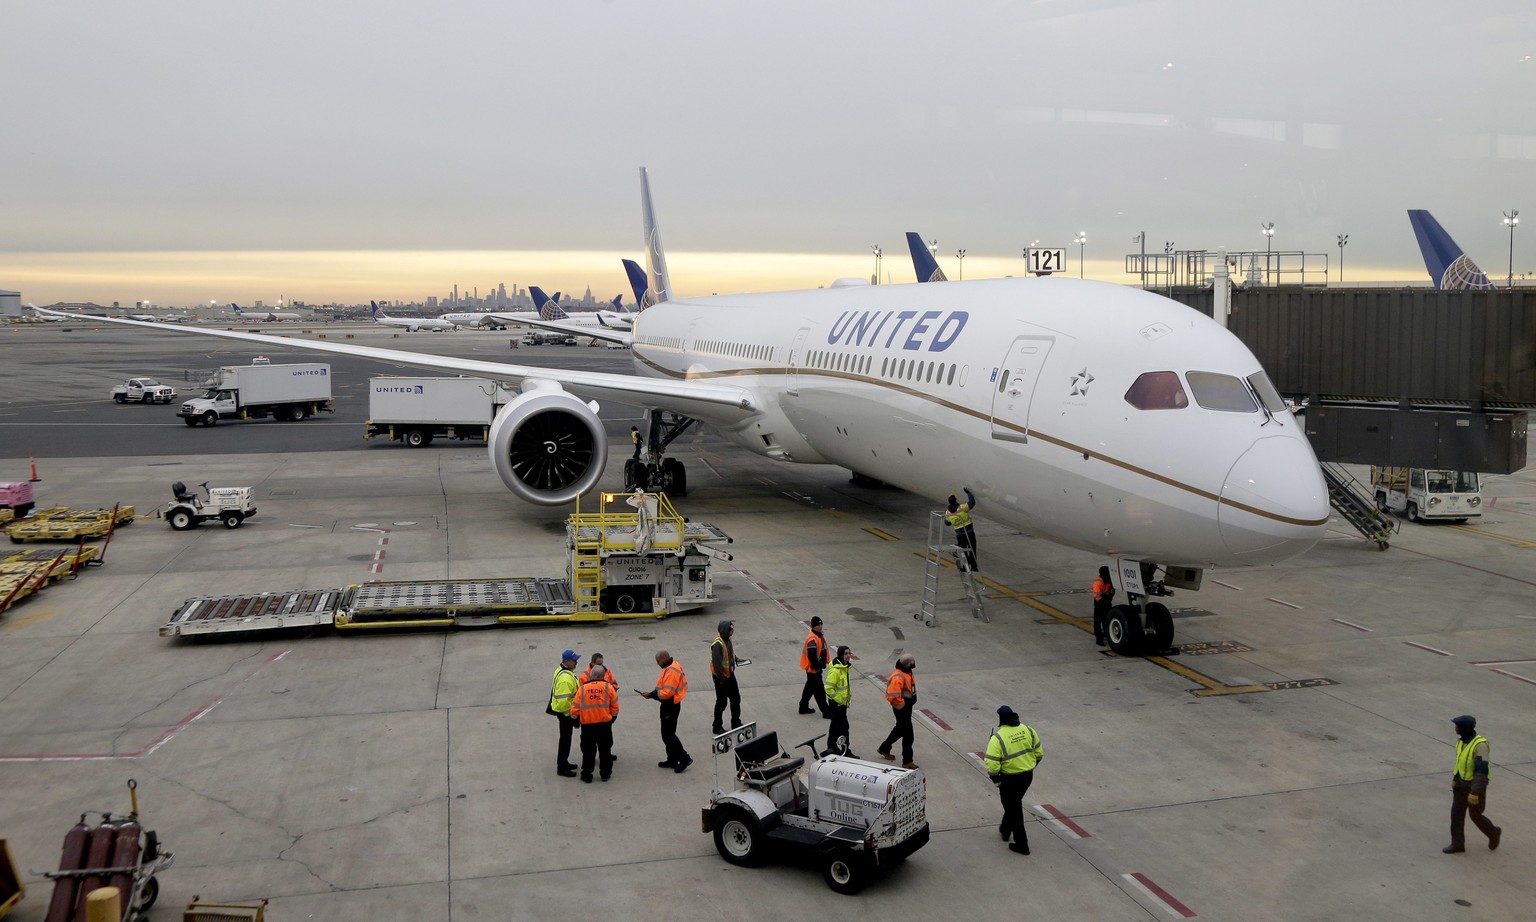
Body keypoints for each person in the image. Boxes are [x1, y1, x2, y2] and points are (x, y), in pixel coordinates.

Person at [984, 705, 1043, 855]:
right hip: (1027, 777)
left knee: (1014, 810)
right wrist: (1030, 765)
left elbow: (992, 763)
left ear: (1000, 719)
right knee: (1013, 805)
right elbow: (1039, 752)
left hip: (1009, 780)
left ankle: (1022, 845)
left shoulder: (998, 738)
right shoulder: (1028, 730)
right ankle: (1005, 829)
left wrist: (995, 778)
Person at [1445, 714, 1502, 853]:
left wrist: (1475, 792)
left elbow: (1481, 771)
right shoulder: (1461, 742)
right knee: (1456, 814)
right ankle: (1457, 844)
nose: (1455, 729)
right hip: (1460, 784)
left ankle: (1493, 833)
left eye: (1457, 726)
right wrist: (1455, 778)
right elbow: (1460, 763)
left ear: (1464, 728)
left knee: (1475, 815)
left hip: (1474, 786)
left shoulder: (1480, 745)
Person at [641, 650, 693, 773]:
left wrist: (652, 695)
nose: (657, 664)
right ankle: (672, 759)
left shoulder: (672, 671)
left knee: (669, 735)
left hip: (670, 705)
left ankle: (684, 758)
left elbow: (667, 693)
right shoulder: (671, 666)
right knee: (667, 734)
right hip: (670, 704)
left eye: (658, 661)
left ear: (664, 658)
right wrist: (653, 694)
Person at [574, 664, 620, 783]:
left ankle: (587, 775)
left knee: (588, 752)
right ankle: (605, 773)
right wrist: (612, 719)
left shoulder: (582, 689)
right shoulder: (609, 688)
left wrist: (576, 721)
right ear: (603, 675)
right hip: (604, 726)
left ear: (591, 675)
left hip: (587, 727)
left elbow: (574, 710)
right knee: (605, 751)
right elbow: (615, 707)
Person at [877, 654, 918, 769]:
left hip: (906, 707)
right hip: (901, 708)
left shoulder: (907, 671)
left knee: (900, 729)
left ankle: (884, 748)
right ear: (908, 664)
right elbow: (893, 696)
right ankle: (907, 761)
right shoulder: (898, 676)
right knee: (908, 735)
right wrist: (903, 706)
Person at [548, 650, 581, 778]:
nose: (576, 662)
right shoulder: (565, 678)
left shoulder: (562, 671)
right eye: (574, 660)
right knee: (565, 740)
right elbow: (564, 703)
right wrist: (572, 716)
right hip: (566, 715)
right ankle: (561, 767)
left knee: (566, 739)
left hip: (564, 714)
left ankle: (564, 762)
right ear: (566, 661)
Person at [710, 619, 742, 735]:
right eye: (731, 630)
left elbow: (729, 653)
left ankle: (736, 722)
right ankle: (717, 726)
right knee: (721, 702)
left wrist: (736, 659)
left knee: (736, 699)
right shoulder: (717, 645)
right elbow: (717, 664)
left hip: (730, 675)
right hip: (721, 678)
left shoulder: (727, 640)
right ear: (725, 631)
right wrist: (722, 680)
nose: (732, 632)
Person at [823, 645, 855, 757]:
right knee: (844, 728)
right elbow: (828, 688)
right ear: (841, 655)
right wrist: (840, 699)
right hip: (837, 704)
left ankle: (831, 747)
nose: (848, 656)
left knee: (835, 727)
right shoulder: (836, 671)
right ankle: (845, 750)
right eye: (846, 654)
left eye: (849, 653)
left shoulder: (844, 668)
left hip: (842, 704)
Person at [797, 616, 830, 716]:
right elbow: (812, 655)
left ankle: (803, 707)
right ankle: (826, 712)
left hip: (813, 668)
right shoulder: (813, 638)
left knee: (809, 688)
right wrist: (817, 666)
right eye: (818, 625)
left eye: (821, 624)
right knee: (819, 691)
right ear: (813, 626)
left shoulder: (818, 636)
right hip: (813, 669)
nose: (820, 626)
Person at [946, 487, 978, 571]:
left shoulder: (948, 513)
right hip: (969, 532)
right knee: (972, 549)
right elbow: (972, 502)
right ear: (956, 501)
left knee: (963, 551)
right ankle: (974, 566)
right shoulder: (962, 507)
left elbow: (947, 523)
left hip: (960, 535)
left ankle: (965, 567)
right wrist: (968, 493)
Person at [1092, 565, 1116, 647]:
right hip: (1099, 604)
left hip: (1107, 602)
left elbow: (1112, 591)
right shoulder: (1098, 582)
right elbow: (1097, 596)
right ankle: (1099, 639)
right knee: (1098, 621)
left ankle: (1106, 634)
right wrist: (1106, 599)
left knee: (1106, 620)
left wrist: (1109, 598)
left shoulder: (1109, 581)